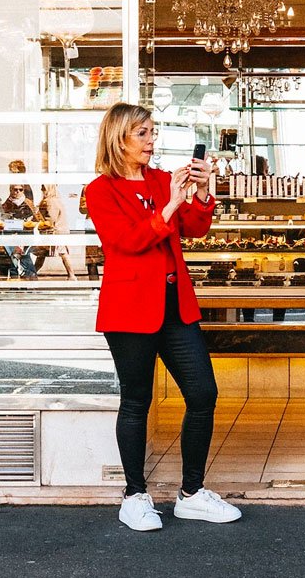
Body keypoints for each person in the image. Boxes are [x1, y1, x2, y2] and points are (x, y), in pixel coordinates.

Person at [83, 102, 239, 531]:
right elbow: (127, 242)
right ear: (120, 138)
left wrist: (202, 194)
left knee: (203, 394)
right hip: (129, 310)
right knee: (136, 401)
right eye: (144, 133)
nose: (153, 141)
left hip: (175, 306)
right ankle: (134, 495)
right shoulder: (100, 190)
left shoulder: (160, 180)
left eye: (153, 132)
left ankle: (191, 493)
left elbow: (195, 227)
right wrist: (169, 205)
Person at [0, 184, 37, 278]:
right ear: (10, 190)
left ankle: (30, 282)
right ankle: (14, 281)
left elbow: (37, 219)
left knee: (25, 258)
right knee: (13, 259)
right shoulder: (6, 204)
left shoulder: (28, 203)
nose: (18, 192)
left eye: (20, 190)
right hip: (10, 235)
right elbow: (2, 219)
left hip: (25, 235)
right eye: (15, 189)